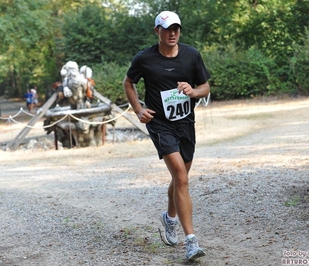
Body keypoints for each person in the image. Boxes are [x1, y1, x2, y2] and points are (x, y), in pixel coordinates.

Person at [123, 11, 210, 261]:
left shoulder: (191, 55)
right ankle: (191, 241)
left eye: (176, 29)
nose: (172, 33)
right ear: (157, 31)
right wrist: (138, 109)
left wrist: (193, 91)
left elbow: (206, 87)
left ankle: (169, 217)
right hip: (160, 124)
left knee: (180, 177)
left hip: (186, 124)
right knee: (181, 177)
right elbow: (128, 83)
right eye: (167, 29)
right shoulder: (145, 58)